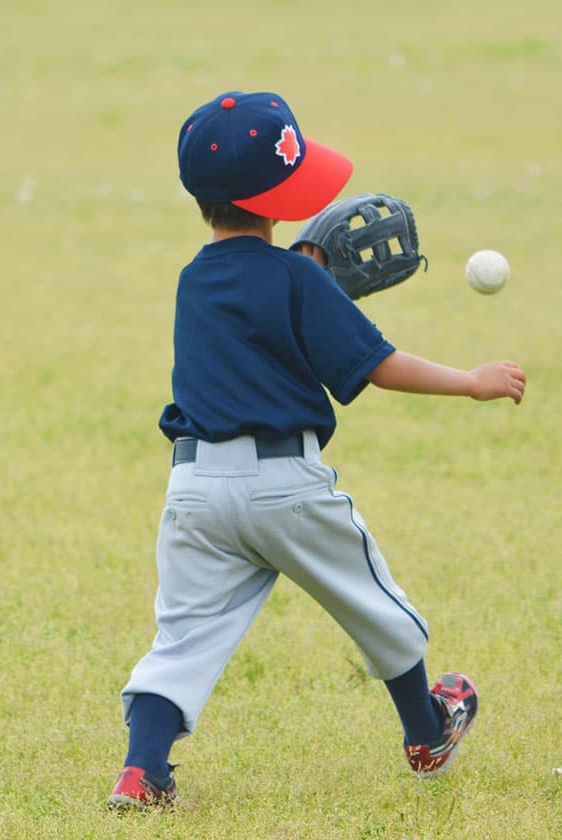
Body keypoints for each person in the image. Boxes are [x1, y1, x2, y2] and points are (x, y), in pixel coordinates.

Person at [106, 91, 527, 810]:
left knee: (181, 637)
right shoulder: (298, 278)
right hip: (284, 486)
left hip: (197, 492)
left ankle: (142, 771)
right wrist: (473, 383)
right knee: (375, 605)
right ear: (277, 196)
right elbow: (376, 364)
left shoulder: (193, 280)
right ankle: (427, 730)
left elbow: (252, 322)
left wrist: (305, 275)